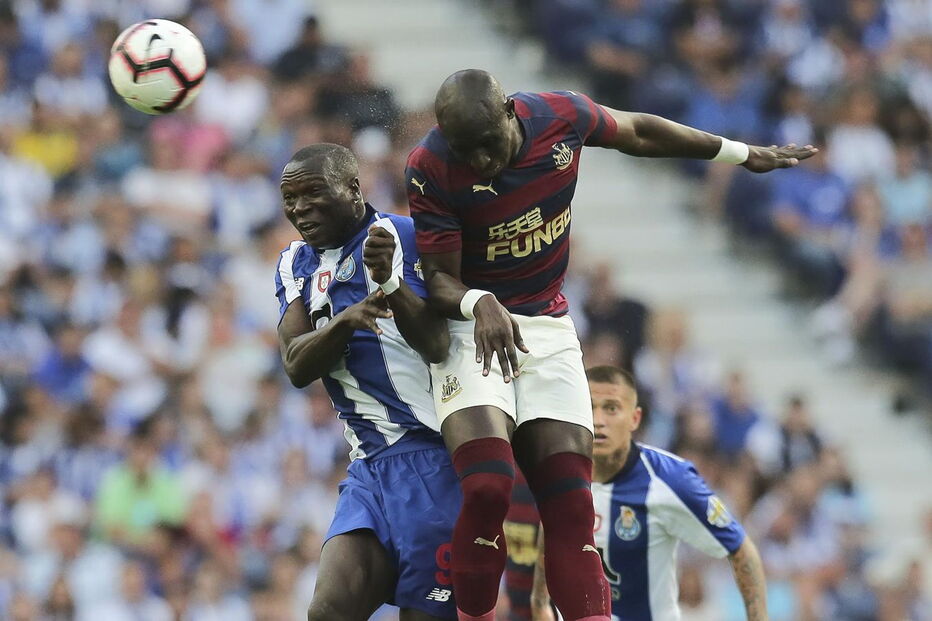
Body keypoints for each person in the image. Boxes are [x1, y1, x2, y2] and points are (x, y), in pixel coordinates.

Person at [405, 68, 814, 621]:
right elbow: (438, 278)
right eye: (466, 151)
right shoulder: (431, 167)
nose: (479, 162)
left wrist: (740, 154)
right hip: (472, 325)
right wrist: (478, 303)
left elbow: (639, 131)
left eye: (486, 145)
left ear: (509, 112)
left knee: (573, 508)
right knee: (487, 488)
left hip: (546, 326)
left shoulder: (558, 117)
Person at [275, 143, 459, 621]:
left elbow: (439, 345)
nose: (299, 208)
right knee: (328, 612)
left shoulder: (401, 236)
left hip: (434, 459)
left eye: (313, 193)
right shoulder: (295, 263)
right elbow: (296, 364)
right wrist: (343, 322)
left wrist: (391, 286)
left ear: (353, 188)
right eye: (289, 198)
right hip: (368, 468)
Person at [529, 366, 768, 621]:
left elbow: (740, 549)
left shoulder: (670, 478)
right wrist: (540, 602)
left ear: (634, 418)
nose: (598, 420)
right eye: (590, 407)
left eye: (611, 408)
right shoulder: (561, 474)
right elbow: (552, 530)